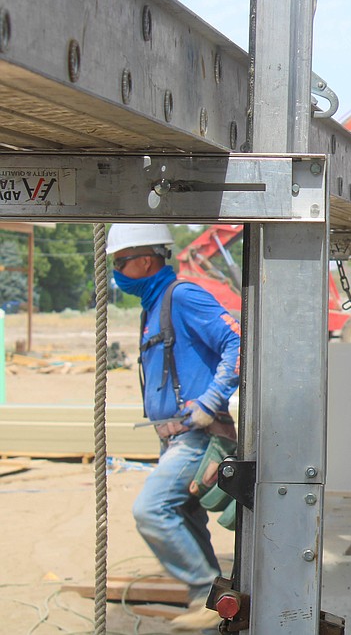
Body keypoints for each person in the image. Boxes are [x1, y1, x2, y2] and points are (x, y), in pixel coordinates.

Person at [107, 223, 241, 631]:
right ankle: (218, 603)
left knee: (151, 510)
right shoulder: (156, 305)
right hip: (175, 438)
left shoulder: (180, 296)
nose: (115, 272)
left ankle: (205, 594)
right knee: (182, 515)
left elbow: (239, 340)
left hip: (197, 434)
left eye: (119, 263)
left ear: (144, 260)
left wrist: (211, 399)